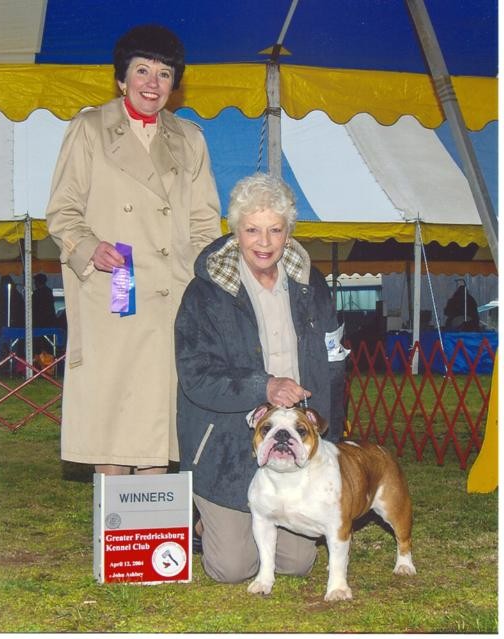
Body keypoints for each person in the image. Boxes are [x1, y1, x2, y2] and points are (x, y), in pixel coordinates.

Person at [46, 24, 221, 477]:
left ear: (173, 85)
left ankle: (154, 542)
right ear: (121, 79)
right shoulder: (88, 129)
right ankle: (116, 542)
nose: (152, 83)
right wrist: (88, 246)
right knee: (115, 425)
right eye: (141, 70)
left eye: (164, 74)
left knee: (161, 428)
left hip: (174, 301)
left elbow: (204, 223)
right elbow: (62, 212)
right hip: (115, 294)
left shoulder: (191, 139)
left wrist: (208, 287)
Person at [175, 173, 347, 583]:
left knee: (298, 564)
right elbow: (195, 376)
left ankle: (252, 524)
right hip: (225, 448)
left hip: (295, 439)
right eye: (253, 230)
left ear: (289, 232)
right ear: (235, 232)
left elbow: (334, 363)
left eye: (275, 229)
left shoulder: (314, 286)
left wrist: (330, 437)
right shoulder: (204, 293)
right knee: (232, 569)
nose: (264, 242)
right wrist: (263, 386)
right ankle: (209, 524)